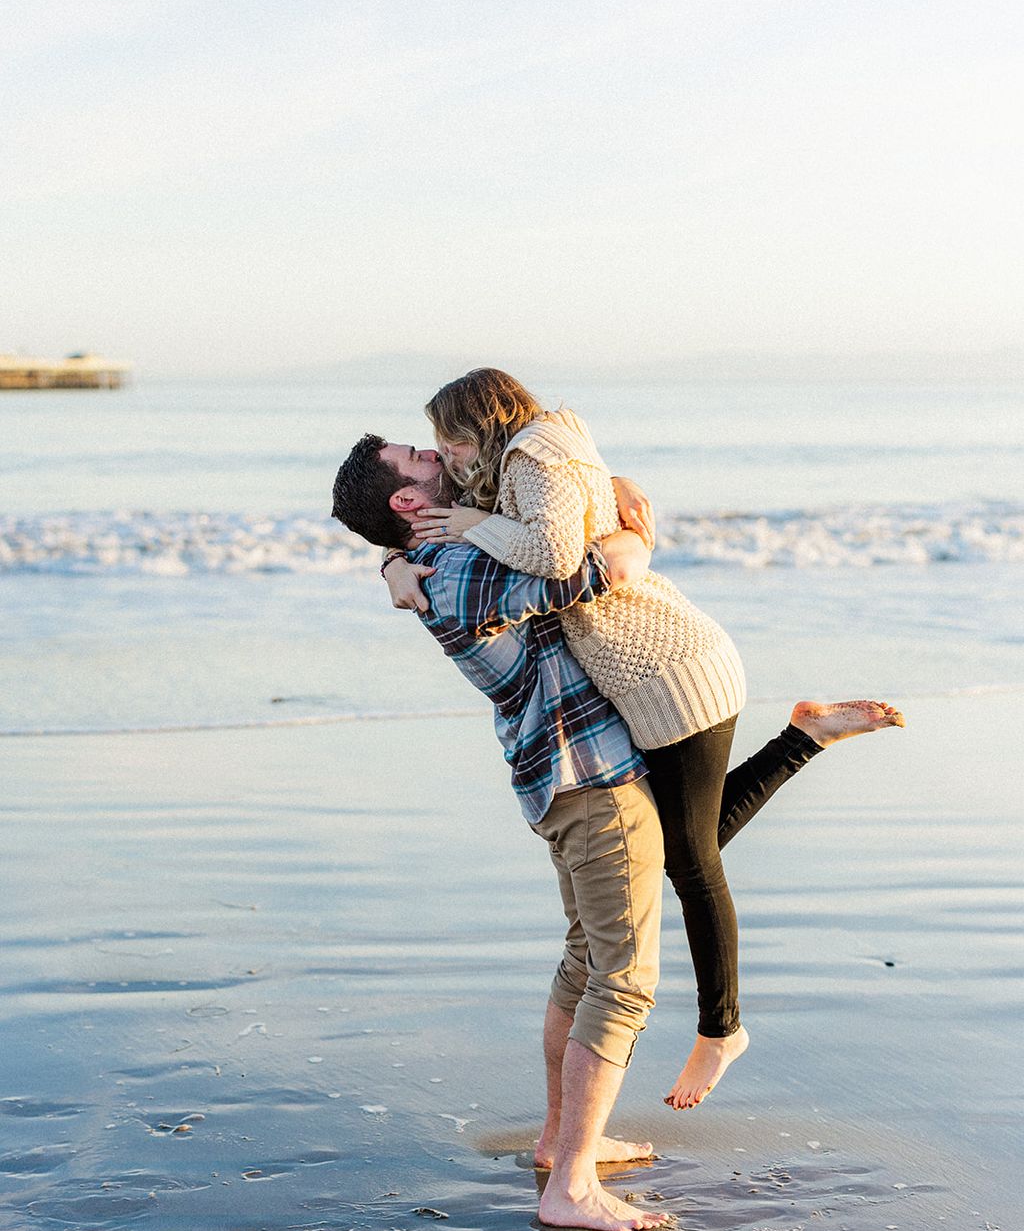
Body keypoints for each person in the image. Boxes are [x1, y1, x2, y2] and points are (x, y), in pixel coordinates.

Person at [381, 369, 905, 1111]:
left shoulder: (531, 455)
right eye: (427, 452)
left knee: (690, 861)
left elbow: (558, 560)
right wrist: (393, 559)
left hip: (673, 672)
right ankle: (805, 735)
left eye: (444, 441)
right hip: (649, 680)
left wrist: (465, 534)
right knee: (679, 847)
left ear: (478, 425)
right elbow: (525, 524)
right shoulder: (513, 467)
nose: (443, 456)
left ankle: (722, 1029)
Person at [332, 434, 673, 1231]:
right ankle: (573, 1188)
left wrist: (385, 566)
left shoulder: (441, 557)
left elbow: (559, 515)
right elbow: (603, 567)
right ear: (408, 504)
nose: (436, 452)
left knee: (586, 961)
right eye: (418, 457)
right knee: (623, 981)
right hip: (591, 778)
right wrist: (641, 534)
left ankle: (561, 1144)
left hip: (557, 776)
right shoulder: (461, 567)